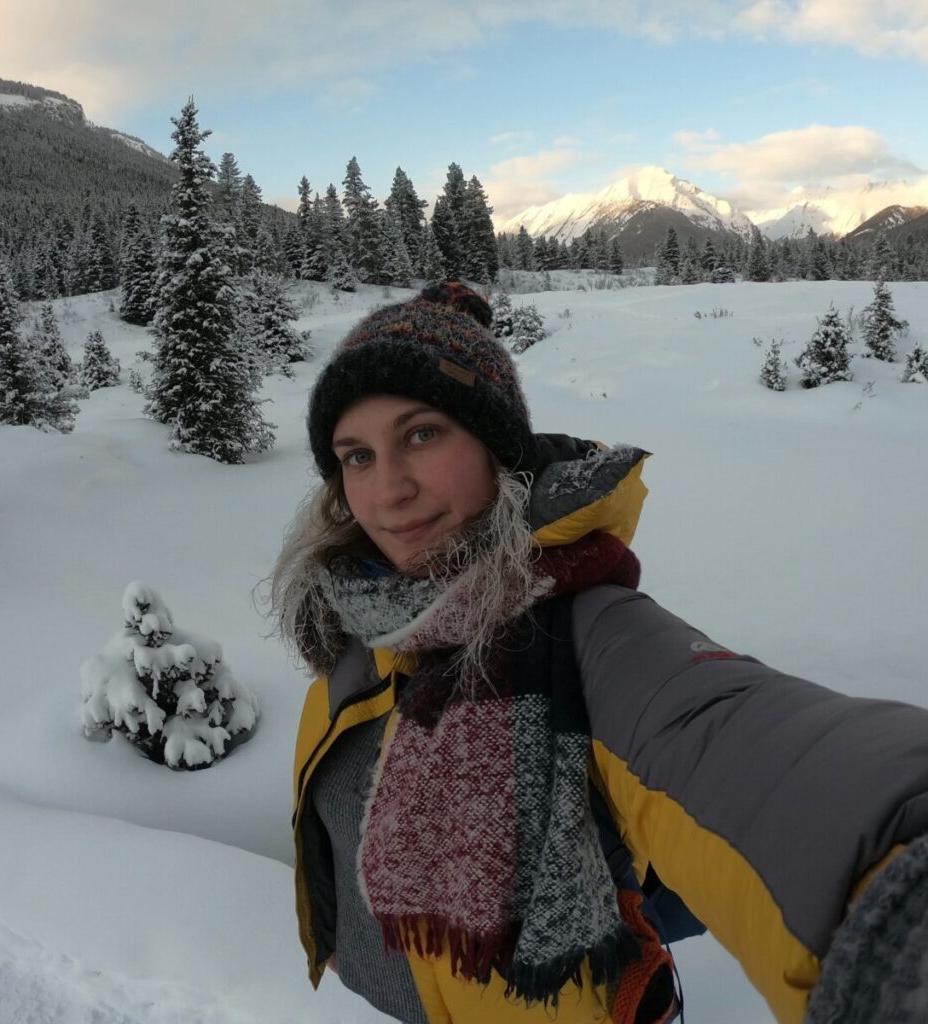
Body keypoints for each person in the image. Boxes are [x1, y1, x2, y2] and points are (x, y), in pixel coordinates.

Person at [271, 281, 928, 1024]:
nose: (387, 491)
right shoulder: (356, 613)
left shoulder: (590, 634)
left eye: (423, 434)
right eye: (357, 455)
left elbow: (751, 750)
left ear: (497, 449)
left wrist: (900, 913)